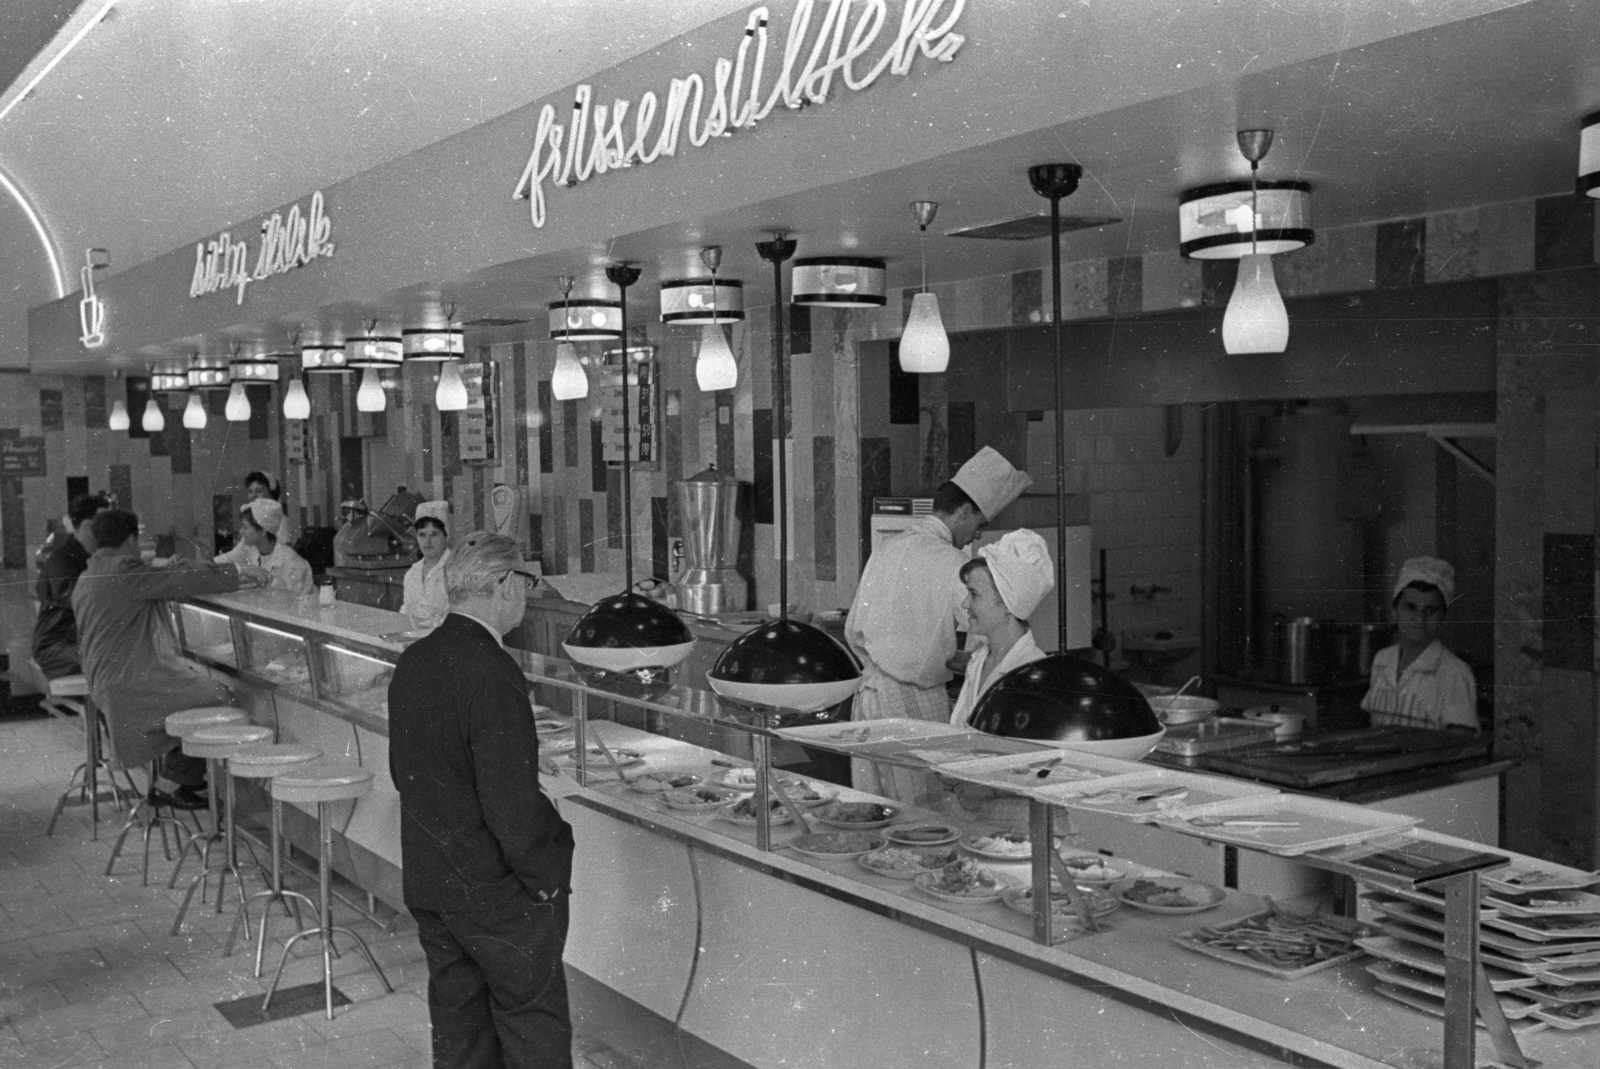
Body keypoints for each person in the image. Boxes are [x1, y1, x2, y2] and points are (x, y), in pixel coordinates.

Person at [388, 532, 573, 1069]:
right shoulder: (493, 670)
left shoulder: (416, 658)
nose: (526, 593)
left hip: (432, 881)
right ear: (501, 584)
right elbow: (511, 809)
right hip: (495, 893)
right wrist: (547, 878)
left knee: (460, 1032)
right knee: (531, 1025)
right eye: (525, 581)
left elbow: (407, 773)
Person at [844, 446, 1031, 803]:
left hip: (868, 702)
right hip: (912, 704)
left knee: (873, 811)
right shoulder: (952, 562)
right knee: (922, 819)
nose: (976, 537)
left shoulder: (889, 547)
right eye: (978, 526)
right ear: (963, 512)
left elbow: (856, 628)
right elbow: (986, 634)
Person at [72, 509, 271, 806]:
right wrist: (239, 574)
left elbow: (160, 577)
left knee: (200, 699)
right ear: (129, 540)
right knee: (222, 699)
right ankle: (173, 782)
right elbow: (178, 579)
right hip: (129, 684)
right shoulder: (124, 569)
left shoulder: (89, 574)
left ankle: (181, 779)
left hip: (105, 683)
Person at [948, 529, 1056, 727]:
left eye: (974, 594)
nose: (965, 604)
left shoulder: (1032, 673)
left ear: (1008, 604)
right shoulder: (977, 661)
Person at [1362, 556, 1479, 732]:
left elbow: (1462, 745)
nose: (1419, 619)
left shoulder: (1455, 672)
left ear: (1443, 618)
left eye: (1431, 610)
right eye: (1410, 607)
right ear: (1395, 611)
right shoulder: (1382, 659)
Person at [32, 493, 110, 679]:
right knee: (115, 658)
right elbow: (82, 601)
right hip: (55, 649)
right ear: (88, 526)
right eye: (107, 525)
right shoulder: (62, 560)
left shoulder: (88, 556)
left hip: (77, 645)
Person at [215, 499, 314, 595]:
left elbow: (298, 605)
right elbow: (218, 563)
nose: (240, 532)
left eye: (245, 527)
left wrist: (272, 582)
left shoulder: (294, 564)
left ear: (262, 531)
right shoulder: (248, 547)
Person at [400, 501, 453, 629]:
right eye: (422, 535)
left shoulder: (456, 568)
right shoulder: (412, 573)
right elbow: (406, 612)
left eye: (433, 534)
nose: (427, 541)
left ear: (446, 535)